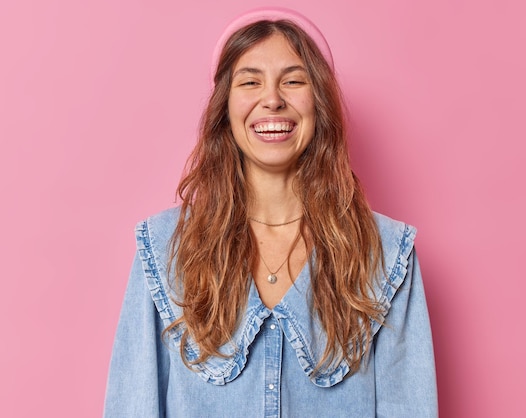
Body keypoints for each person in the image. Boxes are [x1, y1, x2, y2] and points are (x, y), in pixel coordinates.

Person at [104, 8, 437, 417]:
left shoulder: (385, 253)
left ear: (320, 102)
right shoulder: (164, 248)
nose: (273, 99)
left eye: (294, 81)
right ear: (225, 107)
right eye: (250, 81)